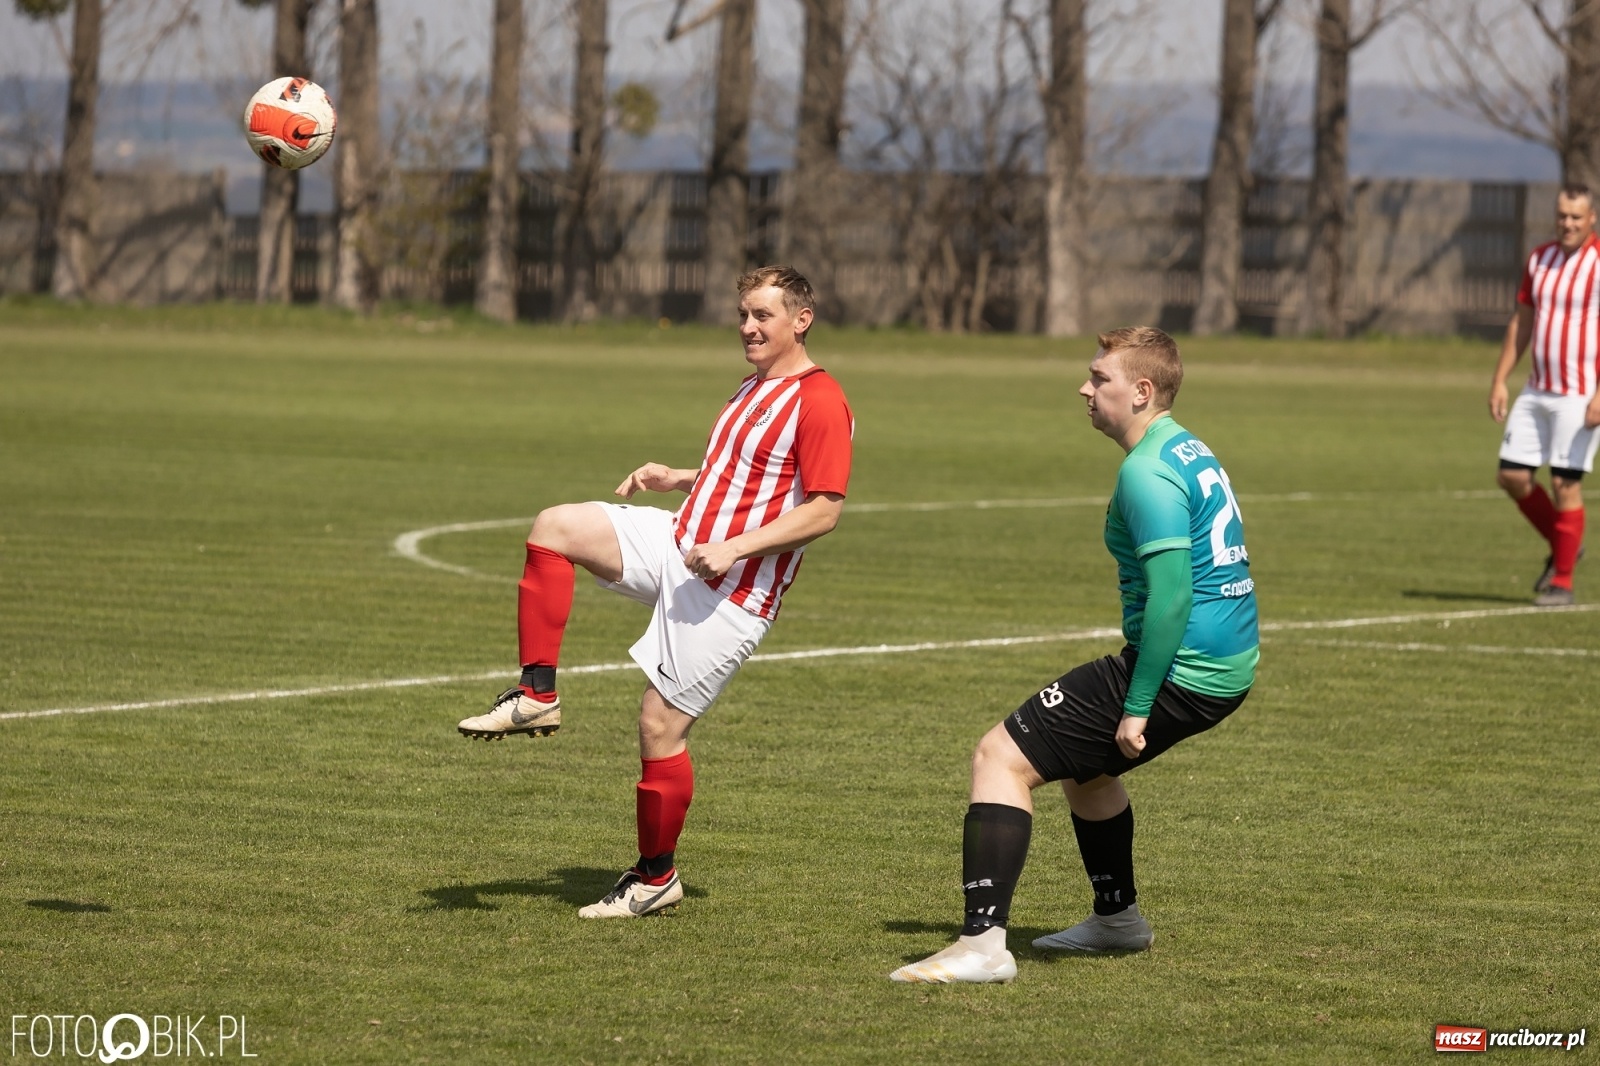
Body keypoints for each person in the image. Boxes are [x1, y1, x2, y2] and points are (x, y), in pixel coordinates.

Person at [457, 265, 854, 919]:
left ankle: (655, 878)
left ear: (801, 320)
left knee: (658, 726)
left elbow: (824, 508)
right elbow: (746, 471)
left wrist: (734, 547)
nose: (748, 327)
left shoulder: (821, 400)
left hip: (732, 591)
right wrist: (680, 477)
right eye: (743, 315)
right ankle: (536, 695)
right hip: (680, 542)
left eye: (762, 316)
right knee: (555, 527)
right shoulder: (755, 386)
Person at [889, 326, 1257, 984]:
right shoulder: (1186, 446)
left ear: (1141, 391)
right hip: (1222, 665)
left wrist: (1138, 705)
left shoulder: (1147, 471)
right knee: (1085, 771)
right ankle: (1117, 921)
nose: (1084, 389)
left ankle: (982, 947)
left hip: (1185, 669)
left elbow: (1173, 597)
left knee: (999, 756)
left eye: (1099, 378)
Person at [1489, 183, 1600, 607]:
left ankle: (1563, 583)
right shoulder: (1540, 259)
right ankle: (1565, 541)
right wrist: (1500, 379)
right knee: (1512, 476)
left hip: (1579, 394)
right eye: (1562, 215)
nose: (1567, 223)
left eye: (1576, 217)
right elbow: (1521, 323)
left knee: (1563, 483)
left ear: (1591, 219)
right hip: (1537, 389)